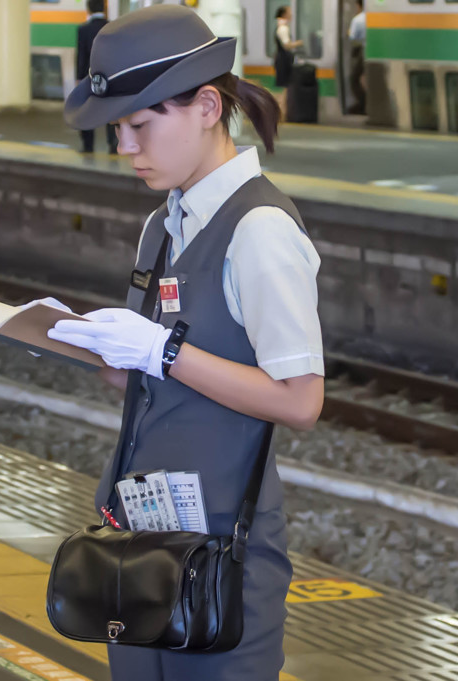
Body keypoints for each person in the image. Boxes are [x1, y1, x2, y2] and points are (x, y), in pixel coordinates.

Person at [43, 5, 325, 680]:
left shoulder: (260, 230)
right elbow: (153, 383)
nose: (126, 148)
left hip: (222, 552)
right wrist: (101, 352)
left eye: (141, 125)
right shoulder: (160, 229)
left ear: (206, 106)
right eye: (119, 129)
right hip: (137, 541)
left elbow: (300, 399)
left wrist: (160, 351)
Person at [76, 0, 118, 154]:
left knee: (88, 110)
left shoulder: (83, 29)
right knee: (109, 110)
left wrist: (79, 78)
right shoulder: (112, 27)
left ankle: (88, 146)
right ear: (103, 8)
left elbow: (81, 56)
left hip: (89, 77)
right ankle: (113, 144)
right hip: (110, 75)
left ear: (88, 9)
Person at [273, 5, 302, 117]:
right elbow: (286, 45)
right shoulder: (283, 28)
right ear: (284, 14)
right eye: (289, 12)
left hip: (282, 59)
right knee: (284, 87)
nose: (291, 14)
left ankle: (281, 111)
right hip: (283, 60)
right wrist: (298, 43)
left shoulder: (280, 26)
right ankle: (280, 111)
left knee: (284, 86)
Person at [347, 0, 367, 115]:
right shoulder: (372, 17)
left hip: (362, 52)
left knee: (354, 79)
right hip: (373, 50)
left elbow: (353, 38)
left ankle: (363, 103)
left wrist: (348, 32)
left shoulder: (357, 19)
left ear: (358, 5)